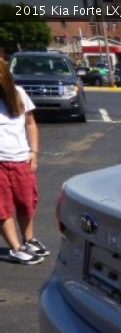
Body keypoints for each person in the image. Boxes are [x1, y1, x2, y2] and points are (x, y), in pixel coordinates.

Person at [0, 57, 47, 265]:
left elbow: (30, 123)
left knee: (27, 204)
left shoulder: (18, 94)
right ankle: (16, 247)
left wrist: (34, 153)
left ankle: (29, 240)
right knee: (2, 208)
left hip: (21, 160)